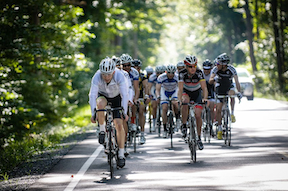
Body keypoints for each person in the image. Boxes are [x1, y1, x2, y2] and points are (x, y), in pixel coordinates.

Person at [89, 57, 129, 168]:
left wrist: (124, 112)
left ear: (113, 72)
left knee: (119, 125)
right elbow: (92, 95)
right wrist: (93, 113)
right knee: (100, 104)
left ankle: (121, 154)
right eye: (104, 74)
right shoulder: (97, 76)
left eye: (109, 74)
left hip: (117, 98)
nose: (106, 77)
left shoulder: (119, 76)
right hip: (104, 96)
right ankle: (102, 130)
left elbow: (125, 95)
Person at [178, 55, 208, 150]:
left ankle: (199, 138)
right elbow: (180, 89)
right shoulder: (182, 73)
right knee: (185, 101)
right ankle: (183, 124)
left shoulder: (199, 73)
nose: (193, 68)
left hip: (197, 93)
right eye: (190, 66)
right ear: (186, 67)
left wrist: (205, 98)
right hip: (186, 92)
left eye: (194, 66)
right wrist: (179, 100)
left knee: (198, 115)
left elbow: (204, 88)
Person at [209, 53, 242, 140]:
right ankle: (219, 129)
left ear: (224, 64)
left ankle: (232, 113)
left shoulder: (231, 69)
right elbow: (210, 80)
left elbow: (237, 82)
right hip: (220, 88)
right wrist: (214, 79)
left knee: (232, 93)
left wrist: (239, 92)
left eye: (218, 63)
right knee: (219, 109)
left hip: (229, 86)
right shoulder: (216, 69)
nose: (217, 65)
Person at [112, 56, 133, 156]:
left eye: (118, 67)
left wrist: (129, 99)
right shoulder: (107, 74)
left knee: (122, 118)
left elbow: (129, 88)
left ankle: (123, 144)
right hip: (110, 97)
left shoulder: (124, 74)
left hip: (121, 96)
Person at [156, 64, 181, 138]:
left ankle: (177, 119)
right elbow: (157, 89)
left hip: (174, 91)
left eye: (172, 73)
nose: (170, 75)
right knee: (164, 108)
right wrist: (158, 96)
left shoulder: (177, 77)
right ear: (166, 72)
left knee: (175, 104)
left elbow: (180, 88)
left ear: (174, 72)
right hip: (165, 91)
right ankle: (164, 129)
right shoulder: (161, 77)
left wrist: (179, 97)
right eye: (169, 73)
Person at [120, 53, 140, 131]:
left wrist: (135, 98)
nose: (126, 67)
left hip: (131, 90)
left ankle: (133, 121)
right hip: (122, 90)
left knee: (133, 104)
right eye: (124, 65)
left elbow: (136, 88)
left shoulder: (134, 72)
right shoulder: (119, 72)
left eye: (128, 65)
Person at [132, 59, 149, 144]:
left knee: (141, 109)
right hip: (130, 95)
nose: (136, 69)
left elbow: (146, 86)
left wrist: (146, 95)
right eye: (134, 67)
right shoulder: (127, 75)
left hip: (140, 96)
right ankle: (132, 123)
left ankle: (142, 134)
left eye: (138, 67)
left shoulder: (142, 76)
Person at [147, 66, 164, 132]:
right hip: (154, 89)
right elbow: (149, 87)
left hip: (163, 89)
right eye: (158, 73)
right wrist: (150, 95)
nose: (159, 74)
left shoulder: (165, 76)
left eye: (161, 73)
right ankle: (154, 123)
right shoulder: (152, 77)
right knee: (154, 106)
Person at [202, 59, 216, 135]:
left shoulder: (213, 73)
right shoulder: (200, 73)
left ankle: (211, 124)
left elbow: (215, 85)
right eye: (205, 69)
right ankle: (204, 121)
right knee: (202, 106)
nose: (206, 71)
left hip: (211, 90)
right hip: (202, 91)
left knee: (212, 106)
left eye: (208, 69)